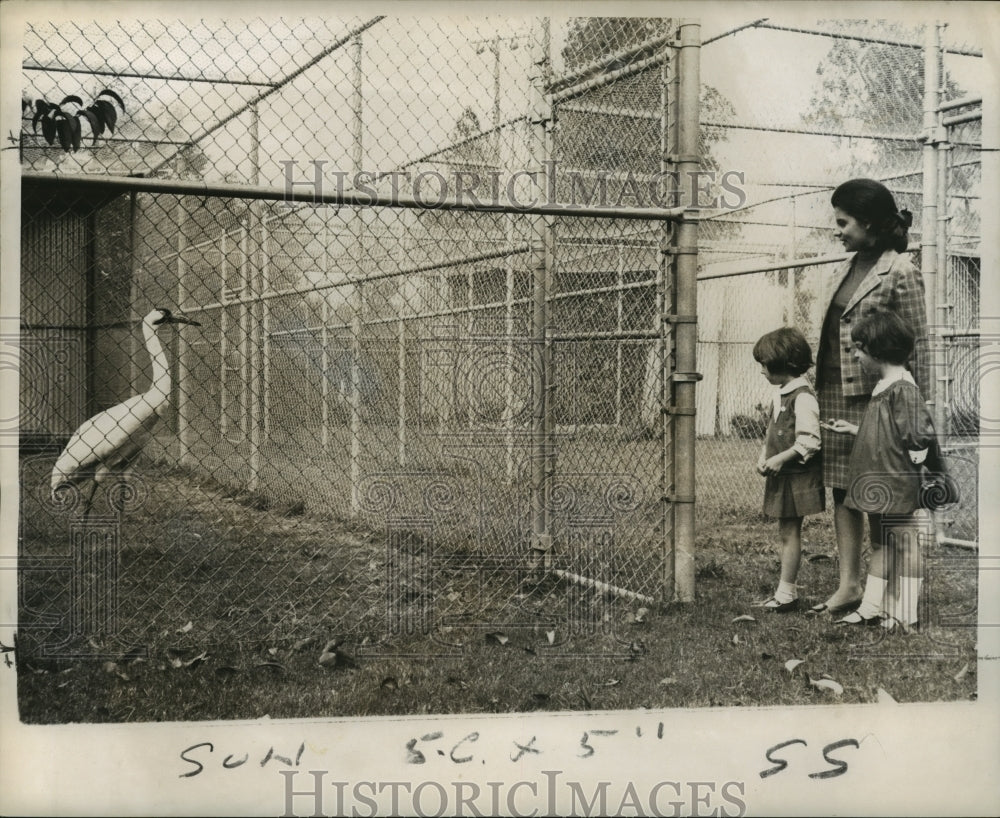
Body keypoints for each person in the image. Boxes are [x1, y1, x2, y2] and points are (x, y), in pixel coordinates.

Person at [810, 178, 929, 616]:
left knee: (878, 490)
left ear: (870, 224)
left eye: (843, 222)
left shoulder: (900, 269)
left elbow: (920, 343)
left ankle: (889, 590)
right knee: (843, 489)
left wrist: (918, 411)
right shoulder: (843, 265)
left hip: (874, 397)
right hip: (833, 393)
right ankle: (849, 585)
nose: (837, 230)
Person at [824, 312, 935, 630]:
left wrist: (916, 477)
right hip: (879, 482)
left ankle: (907, 614)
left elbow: (916, 437)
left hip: (895, 483)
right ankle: (873, 607)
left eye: (858, 348)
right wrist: (855, 429)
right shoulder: (885, 385)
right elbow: (888, 432)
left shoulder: (903, 389)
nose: (855, 356)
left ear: (877, 350)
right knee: (881, 544)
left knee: (904, 542)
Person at [752, 327, 825, 612]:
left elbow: (810, 440)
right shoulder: (780, 394)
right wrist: (764, 456)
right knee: (785, 532)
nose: (762, 371)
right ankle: (785, 592)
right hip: (781, 474)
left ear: (786, 365)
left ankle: (786, 595)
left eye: (765, 365)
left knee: (790, 532)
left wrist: (781, 459)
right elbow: (772, 432)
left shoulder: (803, 397)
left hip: (796, 477)